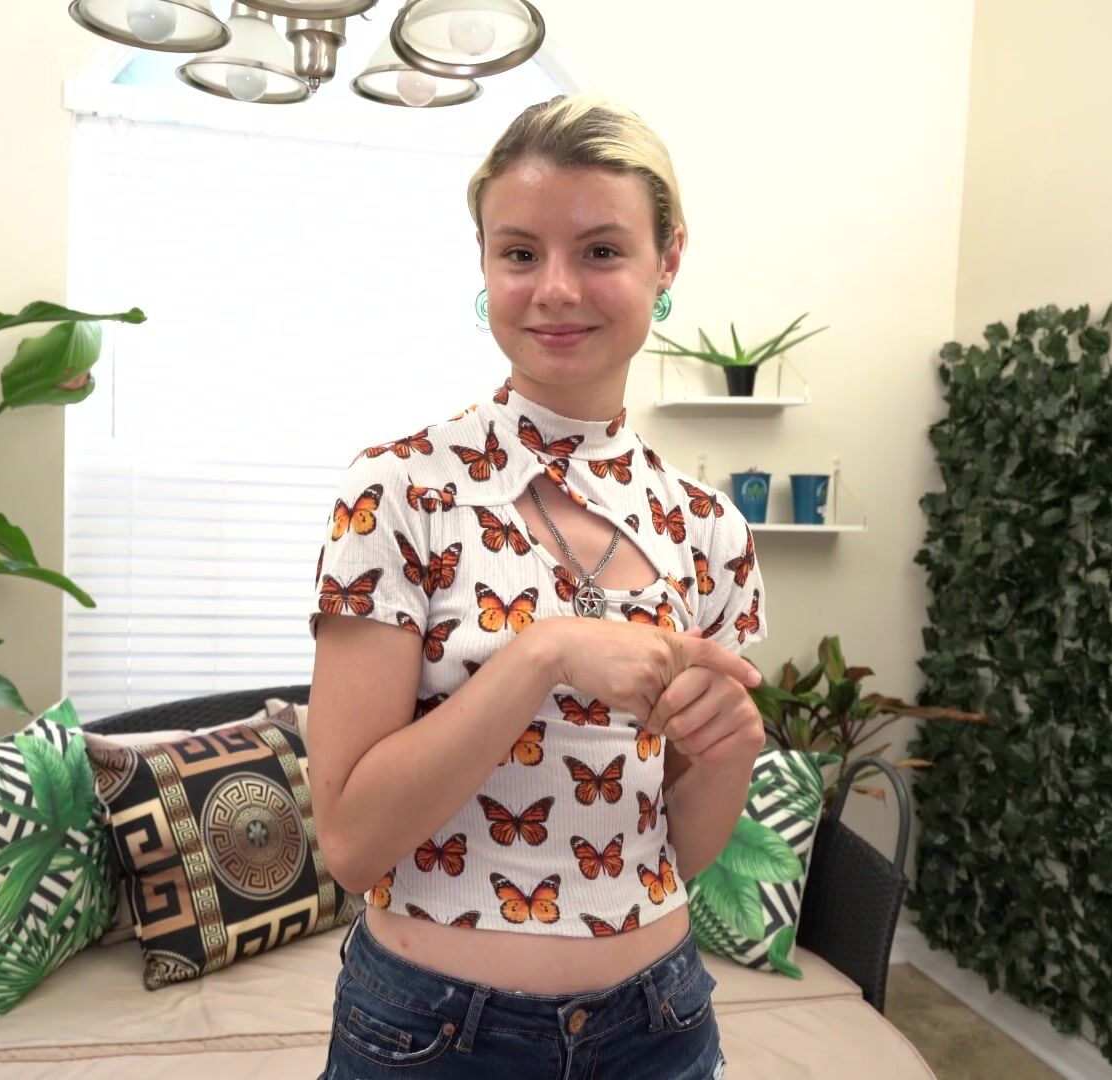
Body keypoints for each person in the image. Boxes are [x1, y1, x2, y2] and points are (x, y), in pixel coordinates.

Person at [306, 94, 770, 1080]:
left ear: (668, 261)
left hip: (662, 1025)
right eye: (520, 253)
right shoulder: (400, 492)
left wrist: (729, 754)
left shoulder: (710, 530)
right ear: (484, 265)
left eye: (601, 251)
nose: (556, 289)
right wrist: (543, 653)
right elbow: (349, 842)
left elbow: (670, 855)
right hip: (431, 1037)